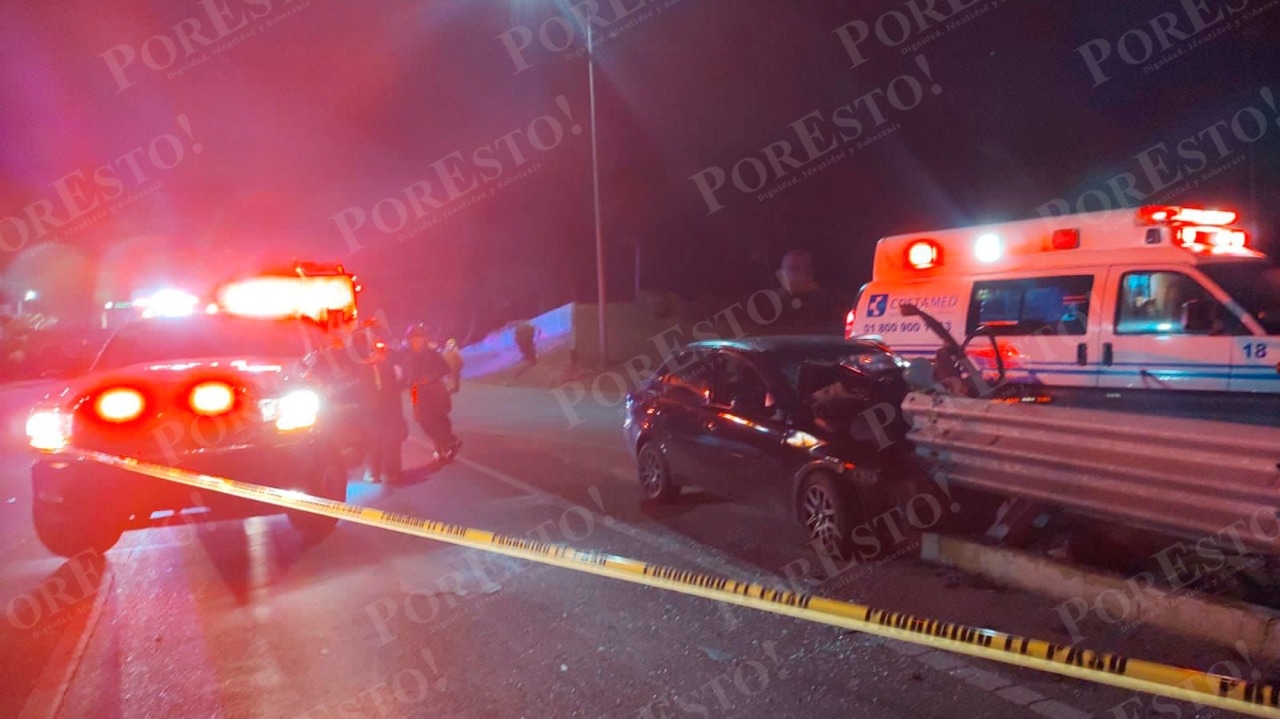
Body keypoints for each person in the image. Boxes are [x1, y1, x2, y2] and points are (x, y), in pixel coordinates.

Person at [352, 327, 407, 483]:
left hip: (389, 410)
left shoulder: (389, 365)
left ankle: (391, 471)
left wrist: (396, 369)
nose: (375, 352)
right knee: (371, 441)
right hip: (369, 411)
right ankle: (373, 470)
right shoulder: (360, 369)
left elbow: (401, 382)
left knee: (392, 441)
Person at [402, 324, 461, 462]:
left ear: (424, 339)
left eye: (419, 337)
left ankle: (445, 443)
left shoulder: (432, 353)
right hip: (416, 391)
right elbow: (404, 372)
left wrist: (431, 377)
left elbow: (445, 369)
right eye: (413, 338)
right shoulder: (406, 355)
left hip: (434, 389)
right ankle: (445, 442)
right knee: (422, 420)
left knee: (439, 417)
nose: (416, 341)